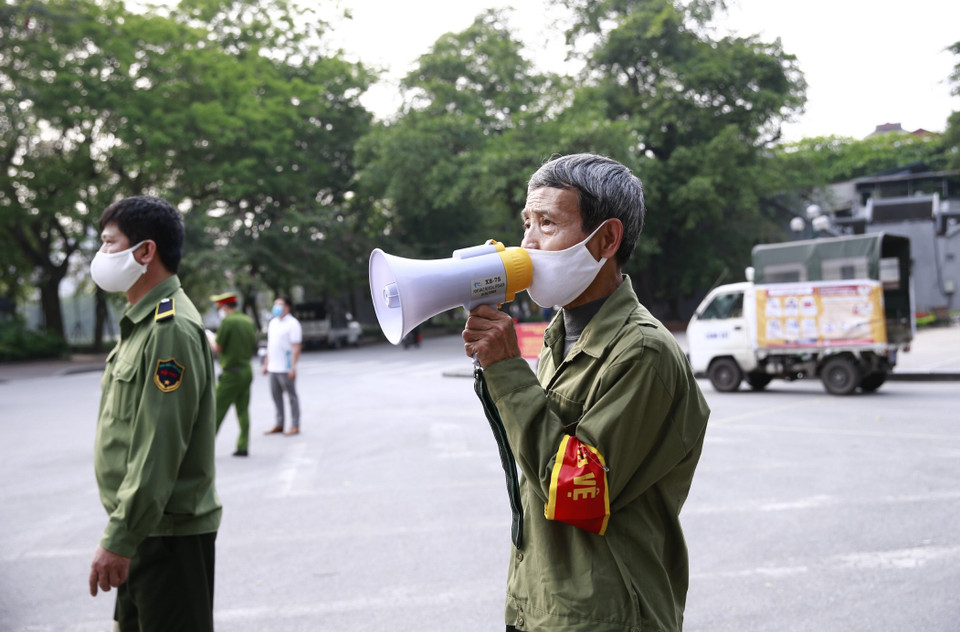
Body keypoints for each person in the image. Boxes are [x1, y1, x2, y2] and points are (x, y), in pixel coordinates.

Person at [462, 153, 710, 632]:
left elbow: (578, 495)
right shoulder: (560, 334)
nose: (528, 244)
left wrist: (507, 371)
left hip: (607, 610)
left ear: (607, 239)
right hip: (543, 601)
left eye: (548, 223)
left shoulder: (643, 351)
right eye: (526, 223)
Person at [87, 196, 221, 631]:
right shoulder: (142, 324)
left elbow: (157, 447)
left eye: (110, 243)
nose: (102, 255)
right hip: (146, 529)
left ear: (145, 252)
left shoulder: (171, 329)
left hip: (165, 536)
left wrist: (120, 538)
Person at [210, 291, 258, 456]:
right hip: (246, 370)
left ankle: (205, 449)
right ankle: (243, 446)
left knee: (216, 411)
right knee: (243, 411)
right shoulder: (248, 321)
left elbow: (217, 348)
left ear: (224, 306)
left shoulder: (228, 322)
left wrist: (209, 337)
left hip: (231, 374)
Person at [262, 296, 302, 435]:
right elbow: (270, 345)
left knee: (292, 397)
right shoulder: (273, 323)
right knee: (276, 397)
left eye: (280, 304)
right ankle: (279, 424)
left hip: (286, 368)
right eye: (275, 304)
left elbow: (296, 347)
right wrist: (266, 363)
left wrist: (293, 367)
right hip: (273, 367)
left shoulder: (293, 324)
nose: (277, 307)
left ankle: (295, 425)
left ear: (287, 307)